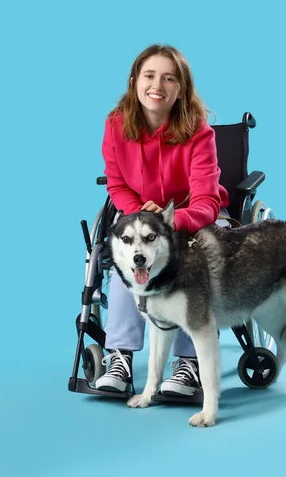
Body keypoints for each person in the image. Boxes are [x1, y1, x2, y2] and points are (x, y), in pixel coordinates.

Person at [95, 44, 229, 398]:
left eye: (169, 78)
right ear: (135, 80)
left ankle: (188, 362)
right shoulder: (116, 126)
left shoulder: (199, 133)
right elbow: (117, 183)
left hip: (191, 220)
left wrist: (169, 221)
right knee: (128, 257)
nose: (158, 85)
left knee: (191, 264)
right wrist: (141, 216)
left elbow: (206, 201)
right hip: (140, 217)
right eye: (150, 75)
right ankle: (120, 355)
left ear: (181, 88)